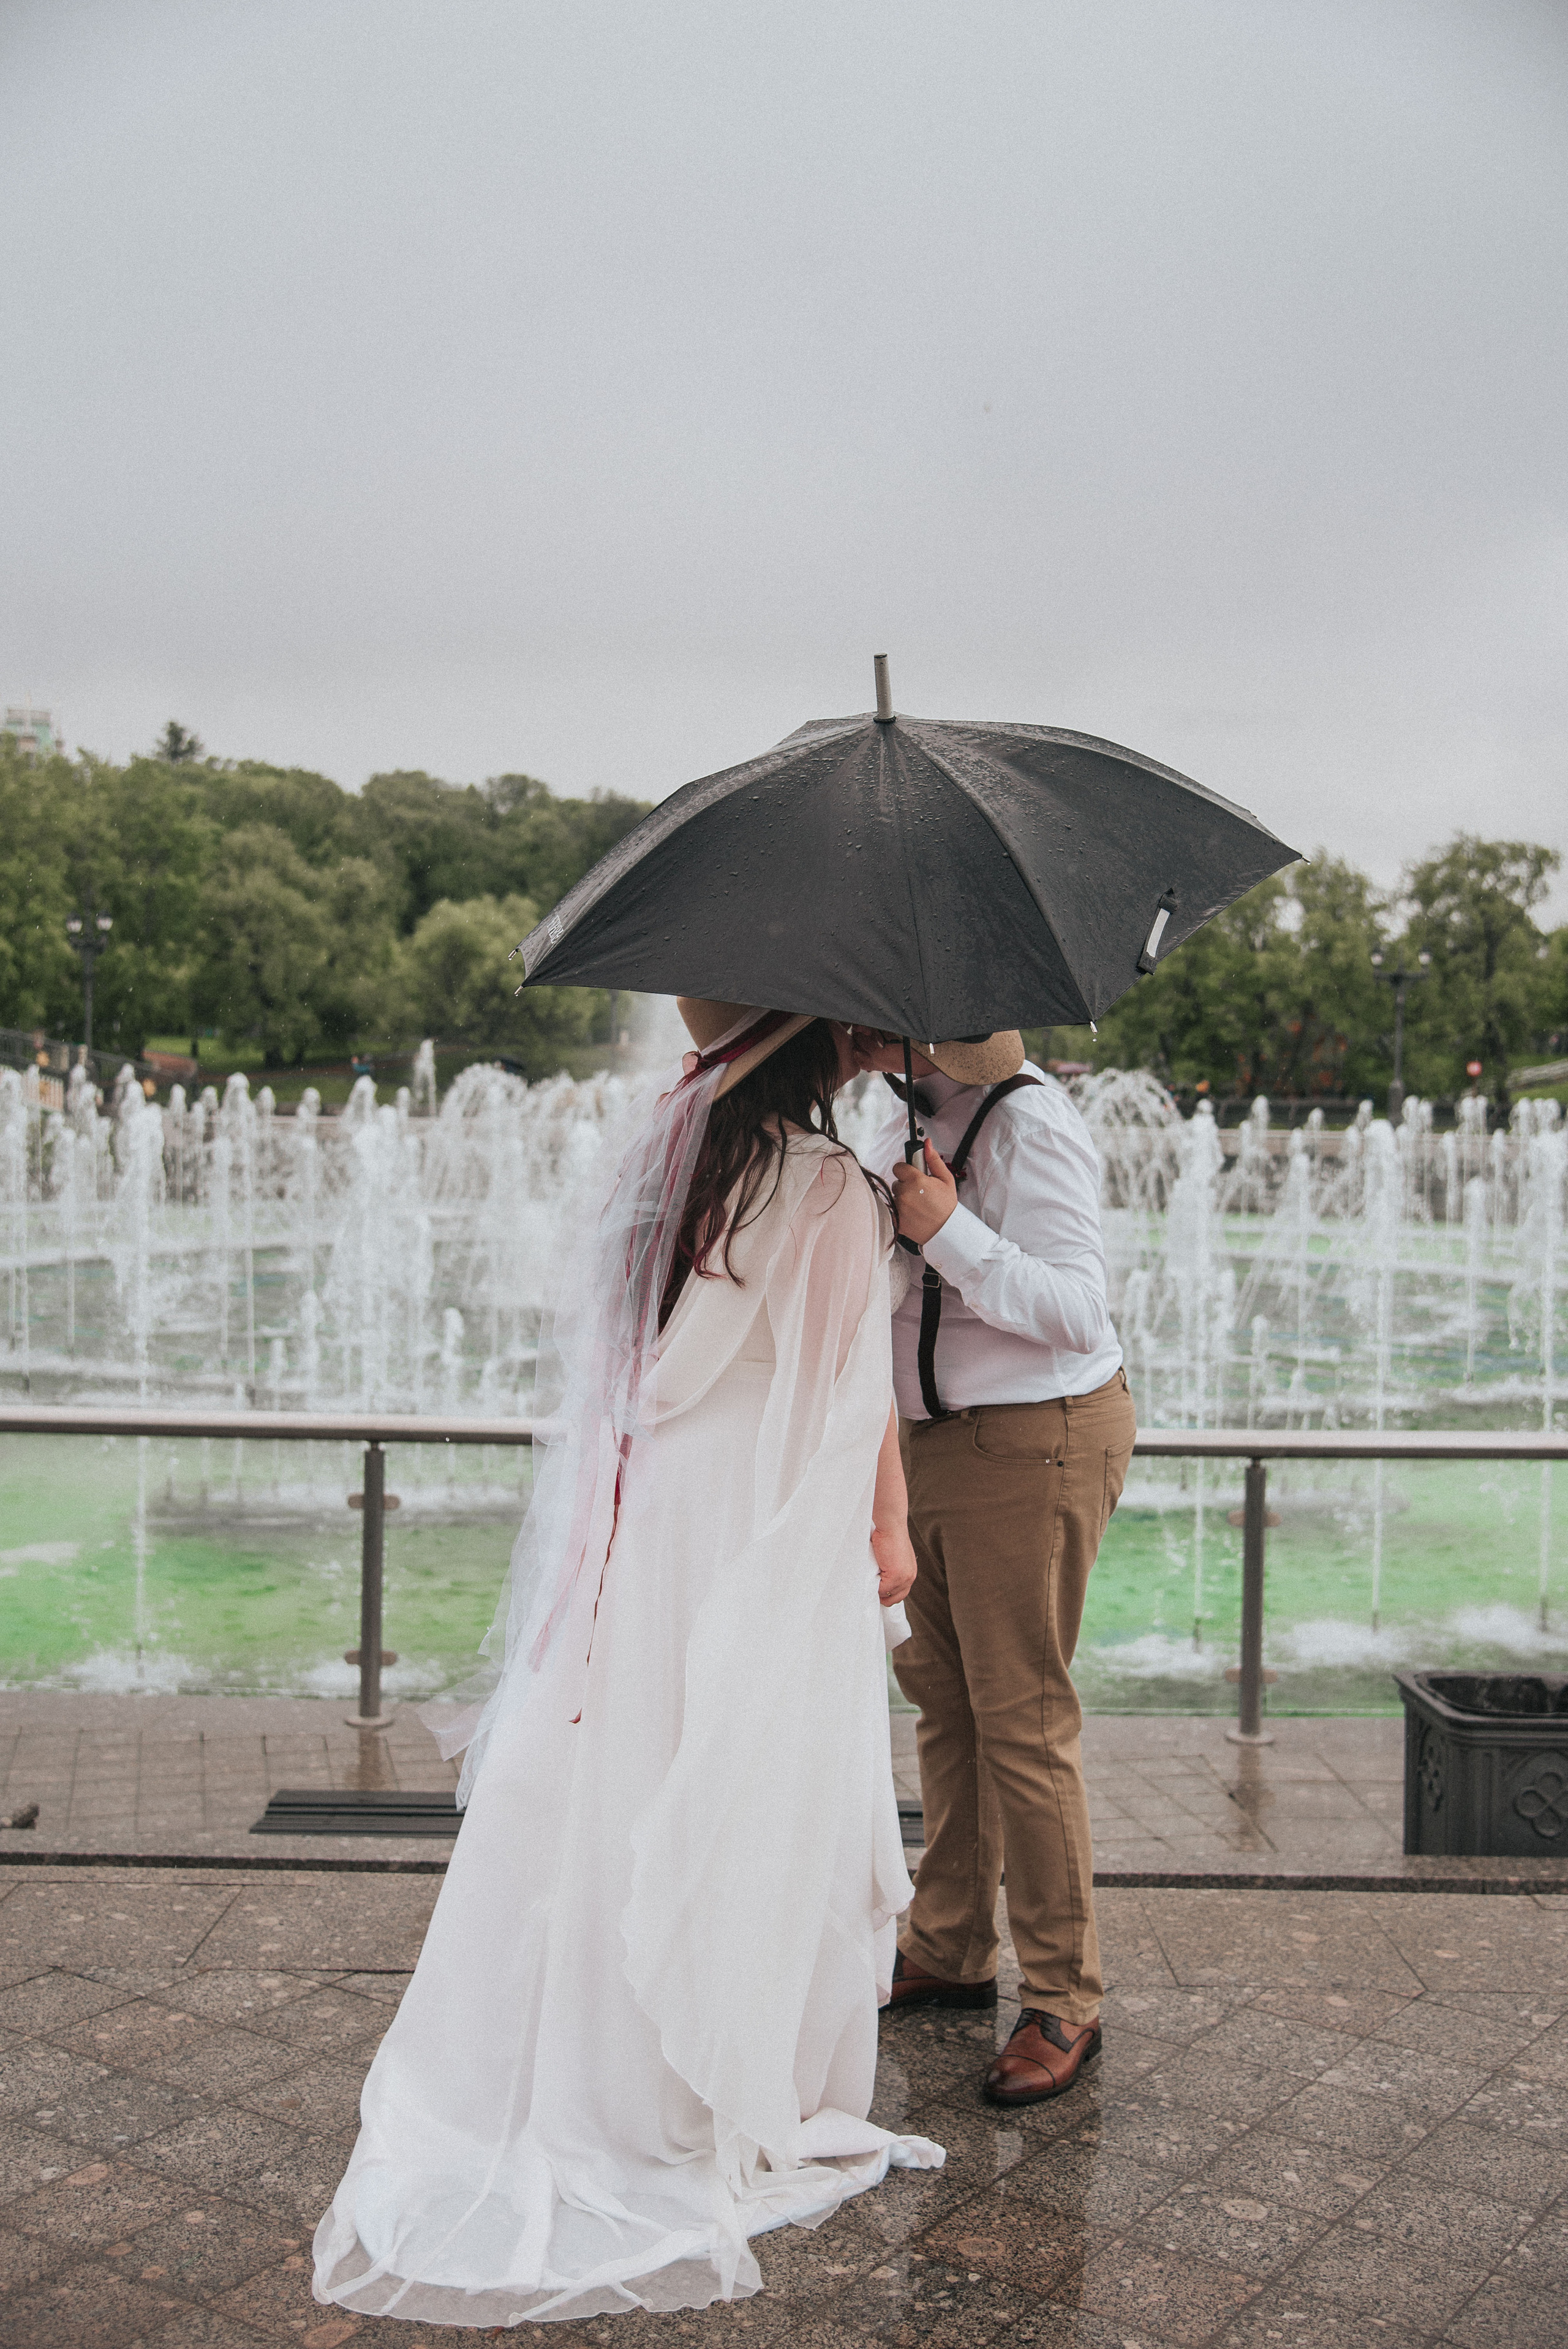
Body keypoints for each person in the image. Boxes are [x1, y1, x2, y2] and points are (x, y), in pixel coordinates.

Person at [314, 1002, 942, 2329]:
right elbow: (839, 1393)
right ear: (825, 1035)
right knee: (749, 1781)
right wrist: (884, 1529)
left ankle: (585, 2055)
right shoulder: (826, 1184)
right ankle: (709, 2076)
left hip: (661, 1513)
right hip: (758, 1516)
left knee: (633, 1767)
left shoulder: (662, 1161)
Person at [853, 1027, 1135, 2106]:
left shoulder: (1030, 1120)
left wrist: (950, 1230)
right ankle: (951, 1943)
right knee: (945, 1703)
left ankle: (1067, 1997)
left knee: (1022, 1715)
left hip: (1035, 1433)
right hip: (929, 1442)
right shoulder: (897, 1110)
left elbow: (1078, 1308)